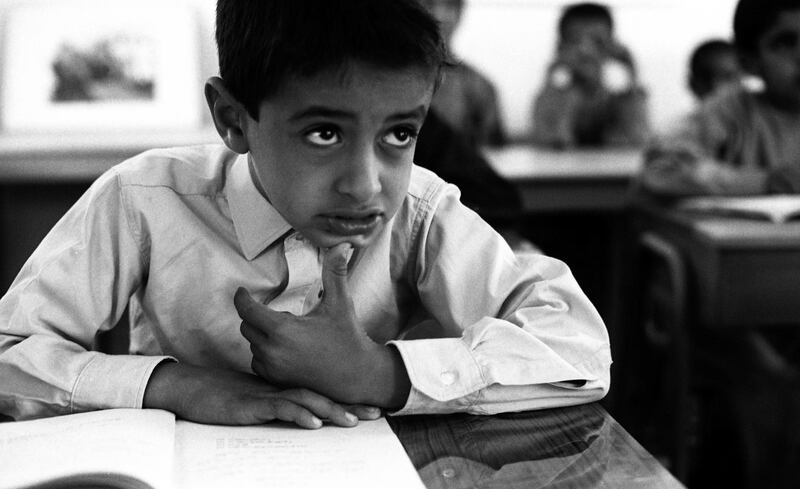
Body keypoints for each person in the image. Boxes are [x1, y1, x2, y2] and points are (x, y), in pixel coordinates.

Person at [0, 0, 610, 427]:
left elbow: (579, 349)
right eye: (324, 133)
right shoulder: (143, 199)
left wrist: (379, 373)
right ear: (234, 119)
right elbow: (10, 352)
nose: (366, 186)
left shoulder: (420, 213)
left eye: (399, 133)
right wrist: (174, 386)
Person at [638, 0, 800, 198]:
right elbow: (662, 169)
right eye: (784, 43)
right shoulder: (729, 112)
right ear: (748, 61)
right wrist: (767, 181)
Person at [531, 2, 649, 148]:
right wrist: (551, 77)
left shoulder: (622, 100)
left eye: (598, 41)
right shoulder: (550, 98)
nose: (586, 51)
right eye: (575, 41)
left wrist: (631, 73)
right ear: (560, 47)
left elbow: (636, 142)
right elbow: (551, 143)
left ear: (612, 47)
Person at [419, 0, 507, 147]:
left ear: (459, 14)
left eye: (449, 6)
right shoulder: (388, 81)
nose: (439, 15)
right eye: (430, 4)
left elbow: (493, 153)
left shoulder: (480, 87)